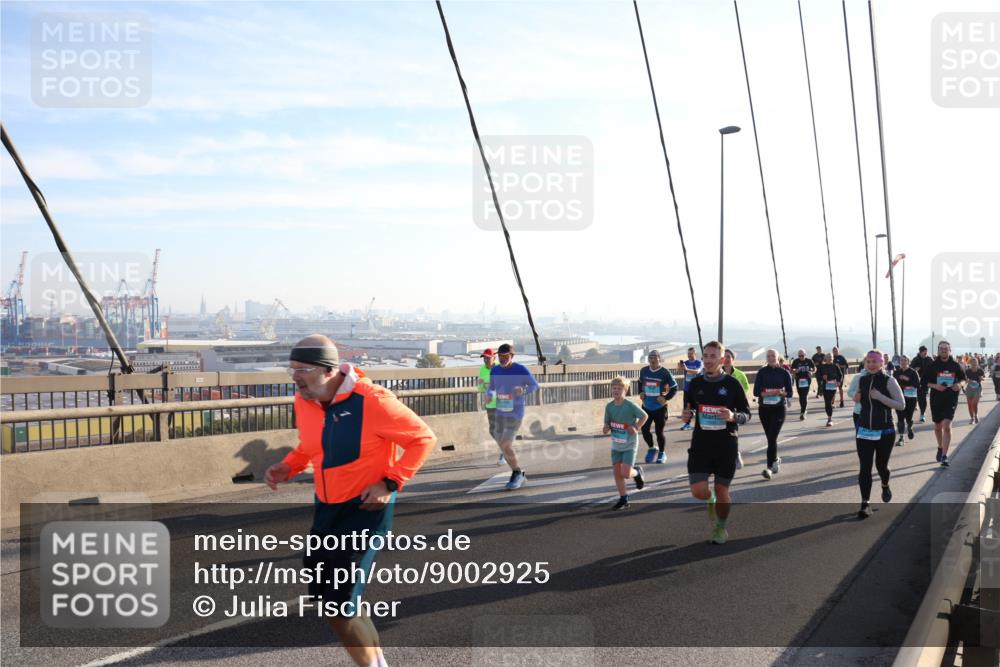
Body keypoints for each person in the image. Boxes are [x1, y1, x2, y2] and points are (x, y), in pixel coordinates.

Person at [265, 335, 436, 667]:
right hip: (326, 510)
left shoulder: (372, 401)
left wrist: (391, 482)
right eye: (292, 370)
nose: (296, 377)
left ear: (328, 370)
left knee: (339, 610)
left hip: (364, 511)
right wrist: (289, 465)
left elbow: (423, 438)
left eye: (303, 370)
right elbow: (311, 447)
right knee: (340, 605)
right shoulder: (304, 401)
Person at [682, 341, 752, 545]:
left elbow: (747, 414)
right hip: (701, 445)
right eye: (706, 356)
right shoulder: (695, 383)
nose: (708, 360)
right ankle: (709, 500)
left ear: (722, 360)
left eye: (713, 356)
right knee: (698, 491)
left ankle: (720, 527)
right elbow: (690, 410)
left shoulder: (732, 384)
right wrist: (687, 415)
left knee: (722, 490)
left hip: (725, 445)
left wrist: (733, 416)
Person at [853, 350, 905, 519]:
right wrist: (857, 398)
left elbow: (901, 405)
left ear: (882, 363)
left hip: (885, 431)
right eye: (868, 362)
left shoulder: (889, 381)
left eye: (874, 361)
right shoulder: (862, 379)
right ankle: (865, 503)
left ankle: (885, 484)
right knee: (865, 468)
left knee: (881, 466)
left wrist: (880, 397)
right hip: (864, 431)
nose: (871, 364)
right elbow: (860, 401)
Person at [486, 343, 540, 489]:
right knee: (501, 443)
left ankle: (517, 473)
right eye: (500, 356)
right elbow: (491, 388)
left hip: (515, 412)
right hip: (500, 411)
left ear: (512, 356)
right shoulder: (495, 370)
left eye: (506, 356)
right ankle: (517, 471)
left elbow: (535, 386)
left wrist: (524, 391)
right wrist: (489, 395)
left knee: (506, 443)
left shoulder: (521, 369)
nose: (503, 359)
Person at [603, 377, 648, 510]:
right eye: (614, 388)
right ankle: (624, 499)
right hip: (616, 444)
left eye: (619, 388)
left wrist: (636, 427)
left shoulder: (629, 405)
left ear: (626, 390)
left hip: (629, 444)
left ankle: (637, 473)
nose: (616, 391)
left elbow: (644, 416)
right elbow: (607, 423)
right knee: (617, 473)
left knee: (626, 473)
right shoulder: (609, 407)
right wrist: (606, 427)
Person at [921, 340, 966, 467]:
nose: (944, 350)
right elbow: (923, 382)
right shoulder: (932, 365)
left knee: (947, 425)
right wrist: (935, 386)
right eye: (941, 348)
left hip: (951, 398)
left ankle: (945, 456)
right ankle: (940, 447)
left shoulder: (956, 365)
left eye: (946, 348)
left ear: (950, 350)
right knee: (937, 426)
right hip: (936, 399)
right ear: (938, 351)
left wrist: (959, 384)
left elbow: (964, 379)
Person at [752, 348, 793, 480]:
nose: (770, 358)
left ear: (777, 357)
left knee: (771, 438)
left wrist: (782, 393)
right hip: (764, 409)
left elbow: (790, 392)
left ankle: (769, 468)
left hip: (779, 409)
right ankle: (775, 459)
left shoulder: (784, 373)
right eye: (768, 356)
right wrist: (768, 393)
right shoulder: (762, 372)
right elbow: (756, 391)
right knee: (770, 438)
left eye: (773, 356)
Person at [638, 350, 678, 464]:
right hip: (646, 406)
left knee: (659, 431)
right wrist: (640, 392)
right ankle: (651, 448)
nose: (652, 359)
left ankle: (662, 453)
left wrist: (666, 398)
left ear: (659, 359)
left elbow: (674, 387)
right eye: (650, 357)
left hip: (660, 408)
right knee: (644, 430)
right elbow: (640, 382)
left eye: (655, 357)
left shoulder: (665, 372)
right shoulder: (644, 370)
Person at [722, 349, 749, 469]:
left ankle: (735, 453)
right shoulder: (716, 373)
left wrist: (738, 398)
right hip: (719, 407)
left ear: (733, 359)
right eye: (724, 357)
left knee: (732, 433)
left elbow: (746, 388)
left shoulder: (740, 375)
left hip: (733, 408)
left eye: (729, 357)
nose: (726, 359)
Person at [477, 348, 502, 465]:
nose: (486, 360)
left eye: (488, 357)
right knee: (493, 430)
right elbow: (481, 387)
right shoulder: (482, 369)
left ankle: (504, 453)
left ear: (494, 358)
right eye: (484, 358)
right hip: (490, 403)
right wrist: (484, 386)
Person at [893, 355, 920, 445]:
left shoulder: (913, 372)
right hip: (899, 398)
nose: (903, 362)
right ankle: (901, 438)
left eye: (905, 360)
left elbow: (918, 384)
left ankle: (909, 427)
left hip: (910, 397)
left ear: (908, 362)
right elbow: (892, 384)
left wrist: (907, 379)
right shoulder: (896, 372)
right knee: (900, 417)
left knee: (909, 416)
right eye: (901, 361)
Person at [678, 346, 704, 431]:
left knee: (698, 407)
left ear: (695, 354)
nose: (689, 355)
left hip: (697, 389)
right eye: (688, 354)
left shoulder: (699, 362)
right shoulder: (686, 363)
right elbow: (680, 371)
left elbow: (697, 371)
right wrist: (680, 367)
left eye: (691, 353)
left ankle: (700, 424)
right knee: (686, 407)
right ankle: (687, 424)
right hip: (687, 389)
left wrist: (687, 369)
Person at [816, 353, 843, 427]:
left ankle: (829, 419)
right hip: (825, 386)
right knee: (826, 403)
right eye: (829, 358)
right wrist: (822, 377)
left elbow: (840, 375)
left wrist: (838, 381)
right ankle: (829, 417)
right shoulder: (822, 367)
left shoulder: (835, 366)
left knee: (829, 401)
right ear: (826, 359)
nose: (830, 359)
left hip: (833, 386)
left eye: (831, 357)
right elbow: (818, 376)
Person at [791, 349, 816, 420]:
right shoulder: (796, 361)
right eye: (799, 356)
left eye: (802, 355)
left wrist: (812, 372)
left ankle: (803, 412)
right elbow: (791, 369)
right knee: (801, 396)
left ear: (805, 355)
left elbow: (815, 368)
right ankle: (803, 409)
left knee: (804, 396)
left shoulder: (809, 361)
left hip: (806, 381)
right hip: (799, 381)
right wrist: (795, 371)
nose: (801, 357)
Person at [910, 345, 932, 422]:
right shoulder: (915, 360)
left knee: (922, 398)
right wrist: (915, 370)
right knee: (918, 398)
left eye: (926, 352)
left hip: (926, 381)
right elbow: (910, 369)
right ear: (920, 352)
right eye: (924, 352)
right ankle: (911, 414)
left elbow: (934, 368)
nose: (925, 353)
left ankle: (922, 414)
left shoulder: (929, 359)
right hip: (916, 382)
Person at [965, 357, 985, 424]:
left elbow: (983, 377)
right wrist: (967, 380)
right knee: (969, 404)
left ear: (977, 364)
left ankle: (976, 415)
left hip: (978, 388)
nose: (973, 365)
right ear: (970, 364)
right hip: (969, 388)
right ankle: (972, 418)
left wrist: (981, 378)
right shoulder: (967, 371)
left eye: (975, 363)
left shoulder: (980, 370)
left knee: (974, 404)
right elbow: (965, 379)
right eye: (972, 363)